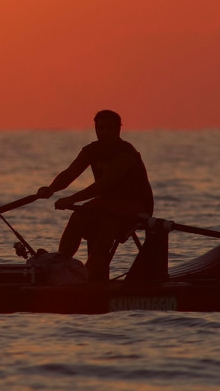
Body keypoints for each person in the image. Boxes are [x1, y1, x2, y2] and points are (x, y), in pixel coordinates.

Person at [37, 110, 154, 282]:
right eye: (101, 128)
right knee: (78, 216)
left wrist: (72, 199)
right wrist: (51, 189)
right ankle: (62, 266)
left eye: (109, 128)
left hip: (136, 204)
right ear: (96, 129)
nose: (105, 132)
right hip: (107, 202)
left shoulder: (126, 152)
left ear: (118, 130)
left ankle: (91, 275)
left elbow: (104, 184)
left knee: (108, 222)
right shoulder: (91, 150)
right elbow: (70, 174)